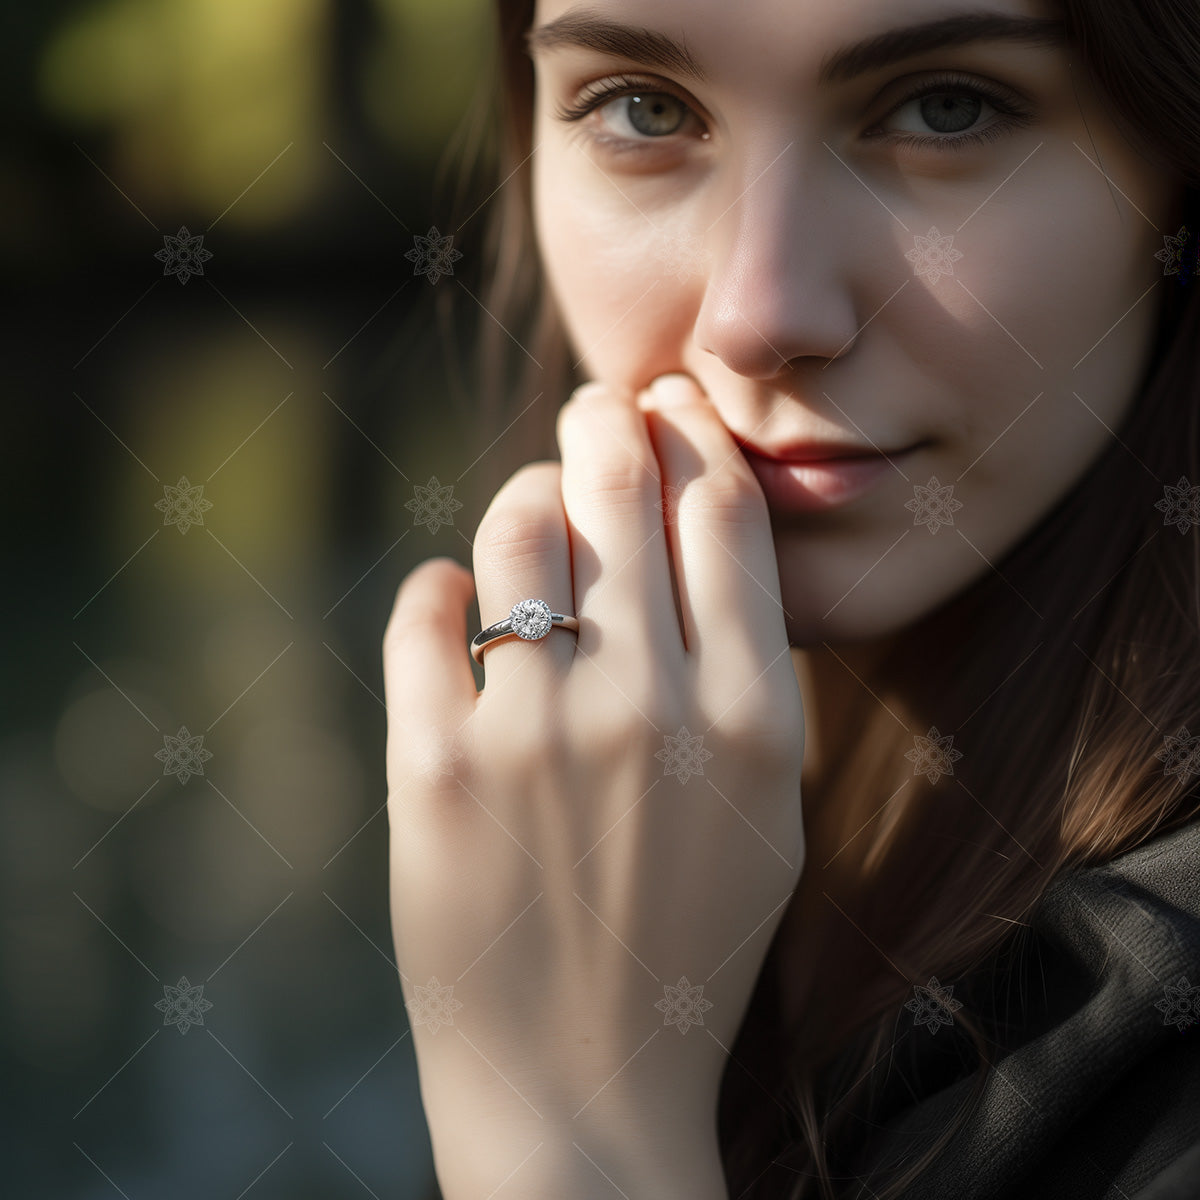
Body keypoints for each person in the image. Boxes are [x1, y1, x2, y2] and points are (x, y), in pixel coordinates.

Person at [382, 1, 1200, 1196]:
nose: (758, 315)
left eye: (945, 107)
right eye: (644, 110)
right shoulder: (607, 821)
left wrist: (569, 1132)